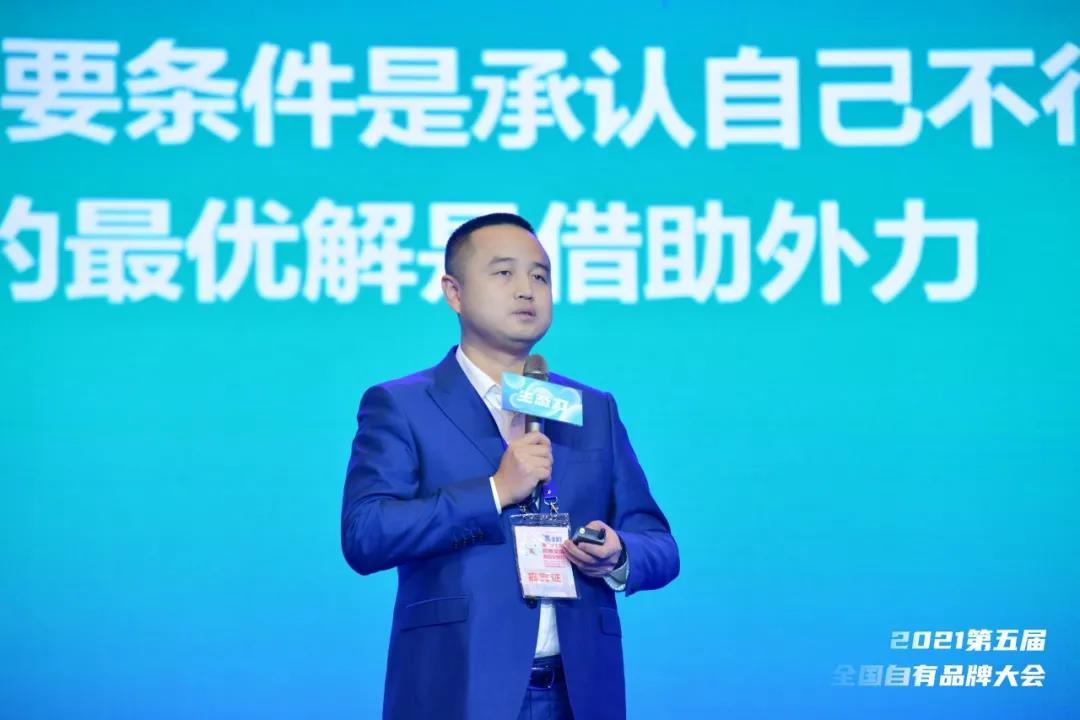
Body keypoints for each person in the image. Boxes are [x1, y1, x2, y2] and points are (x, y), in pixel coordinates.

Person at [341, 212, 679, 720]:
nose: (526, 289)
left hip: (580, 695)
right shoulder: (403, 405)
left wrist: (619, 554)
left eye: (540, 276)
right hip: (458, 690)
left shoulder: (592, 408)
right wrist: (496, 491)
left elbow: (660, 544)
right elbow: (366, 534)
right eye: (504, 273)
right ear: (454, 293)